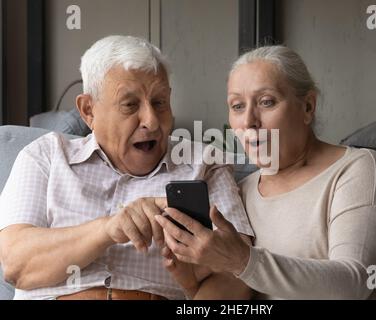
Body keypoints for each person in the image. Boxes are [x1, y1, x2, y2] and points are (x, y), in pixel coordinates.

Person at [156, 45, 376, 299]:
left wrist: (242, 260)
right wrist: (191, 284)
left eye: (266, 102)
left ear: (307, 107)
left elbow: (352, 286)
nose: (249, 121)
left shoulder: (358, 170)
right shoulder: (239, 194)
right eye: (237, 106)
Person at [0, 35, 253, 300]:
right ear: (89, 111)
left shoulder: (206, 164)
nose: (152, 122)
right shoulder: (45, 156)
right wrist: (108, 229)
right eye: (130, 105)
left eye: (159, 102)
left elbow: (237, 273)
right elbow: (17, 264)